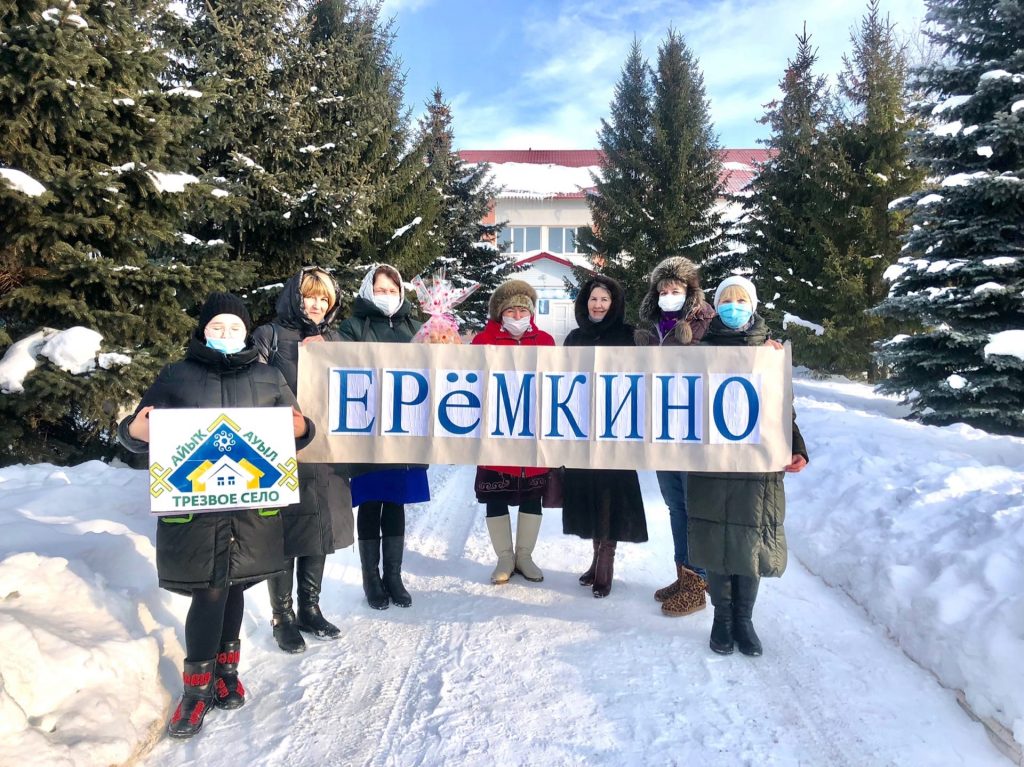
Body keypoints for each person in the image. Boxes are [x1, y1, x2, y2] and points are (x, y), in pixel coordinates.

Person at [118, 292, 314, 738]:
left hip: (250, 512)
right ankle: (196, 690)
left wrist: (303, 429)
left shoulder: (268, 376)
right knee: (209, 591)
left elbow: (297, 430)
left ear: (247, 333)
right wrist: (135, 431)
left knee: (235, 585)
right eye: (217, 327)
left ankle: (227, 673)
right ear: (203, 331)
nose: (226, 334)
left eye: (235, 327)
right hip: (198, 513)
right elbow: (137, 433)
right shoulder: (177, 375)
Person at [686, 275, 809, 657]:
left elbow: (783, 409)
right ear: (717, 305)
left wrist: (797, 447)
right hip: (712, 462)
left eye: (741, 301)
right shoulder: (701, 350)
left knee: (749, 543)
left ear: (753, 306)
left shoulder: (771, 352)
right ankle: (722, 619)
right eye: (727, 300)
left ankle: (744, 619)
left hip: (756, 465)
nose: (734, 307)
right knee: (716, 542)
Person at [252, 267, 353, 653]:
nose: (316, 304)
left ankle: (310, 608)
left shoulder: (336, 339)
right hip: (283, 449)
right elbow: (254, 386)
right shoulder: (269, 335)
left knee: (318, 530)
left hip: (326, 451)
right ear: (295, 297)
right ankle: (283, 616)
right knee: (285, 533)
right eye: (309, 296)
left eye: (323, 298)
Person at [337, 263, 427, 609]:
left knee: (395, 501)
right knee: (371, 501)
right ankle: (371, 580)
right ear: (367, 291)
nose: (386, 296)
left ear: (401, 293)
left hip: (405, 430)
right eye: (380, 290)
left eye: (392, 290)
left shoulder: (416, 328)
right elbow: (335, 364)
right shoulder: (353, 326)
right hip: (367, 430)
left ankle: (393, 576)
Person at [634, 256, 716, 618]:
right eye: (663, 290)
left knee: (693, 504)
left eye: (676, 289)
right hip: (662, 430)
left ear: (689, 290)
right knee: (676, 505)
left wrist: (768, 348)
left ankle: (698, 580)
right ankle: (683, 573)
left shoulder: (708, 322)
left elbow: (737, 353)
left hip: (694, 429)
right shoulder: (654, 329)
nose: (669, 295)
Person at [561, 275, 647, 597]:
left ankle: (606, 561)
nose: (598, 305)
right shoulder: (574, 338)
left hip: (617, 430)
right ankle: (595, 556)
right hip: (582, 428)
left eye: (604, 299)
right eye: (593, 299)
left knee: (611, 494)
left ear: (615, 303)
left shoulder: (629, 336)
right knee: (588, 493)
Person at [471, 279, 555, 584]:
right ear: (500, 313)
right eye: (511, 311)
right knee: (496, 496)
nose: (517, 316)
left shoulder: (545, 341)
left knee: (533, 496)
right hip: (496, 433)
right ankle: (505, 557)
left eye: (523, 310)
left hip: (533, 432)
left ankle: (525, 556)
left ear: (531, 313)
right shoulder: (483, 341)